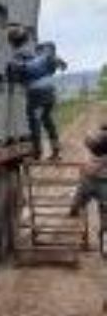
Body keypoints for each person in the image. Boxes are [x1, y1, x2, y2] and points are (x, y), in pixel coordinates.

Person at [8, 26, 67, 160]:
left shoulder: (17, 55)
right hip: (50, 90)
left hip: (35, 91)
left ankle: (37, 152)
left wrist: (15, 78)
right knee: (47, 118)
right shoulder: (38, 50)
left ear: (12, 42)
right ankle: (56, 150)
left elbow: (14, 73)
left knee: (33, 120)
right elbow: (56, 62)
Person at [69, 124, 107, 217]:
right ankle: (104, 218)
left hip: (89, 180)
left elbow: (87, 140)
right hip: (103, 183)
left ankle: (75, 207)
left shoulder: (95, 147)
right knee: (104, 202)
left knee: (80, 194)